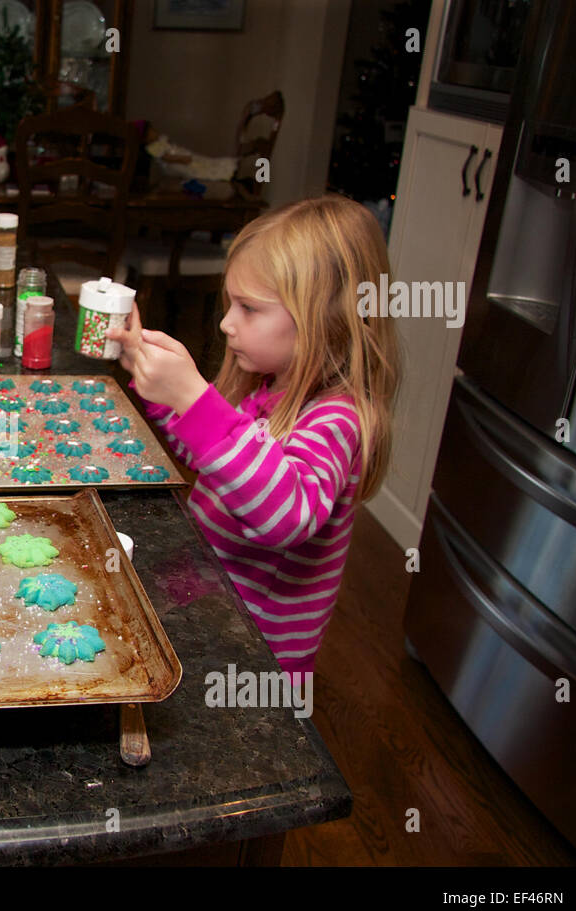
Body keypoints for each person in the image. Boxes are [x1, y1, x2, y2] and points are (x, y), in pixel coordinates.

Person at [109, 196, 400, 676]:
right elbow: (213, 460)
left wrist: (194, 399)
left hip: (254, 655)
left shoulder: (338, 419)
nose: (227, 323)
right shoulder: (269, 388)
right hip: (209, 599)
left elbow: (285, 513)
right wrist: (165, 392)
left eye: (249, 308)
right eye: (230, 304)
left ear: (323, 319)